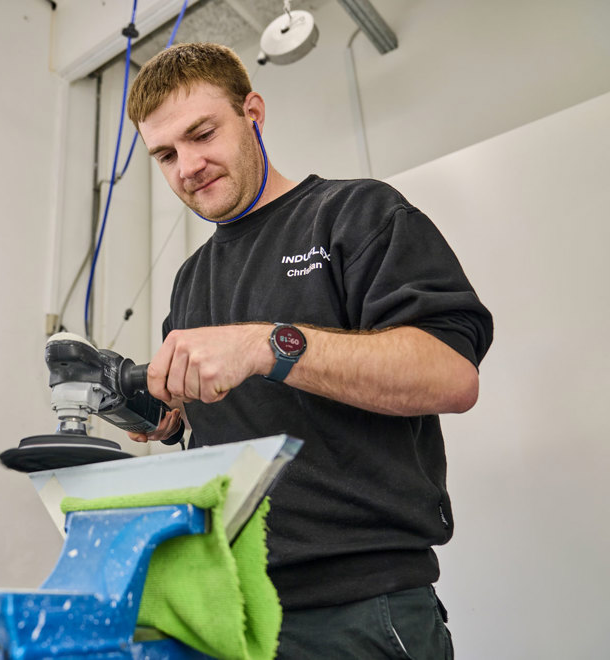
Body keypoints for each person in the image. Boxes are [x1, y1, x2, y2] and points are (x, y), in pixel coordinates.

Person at [124, 42, 493, 659]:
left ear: (253, 113)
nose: (187, 165)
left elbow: (450, 375)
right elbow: (237, 413)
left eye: (203, 133)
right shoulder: (191, 278)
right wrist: (169, 413)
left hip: (361, 611)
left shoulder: (356, 214)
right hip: (229, 607)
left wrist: (270, 344)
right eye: (166, 154)